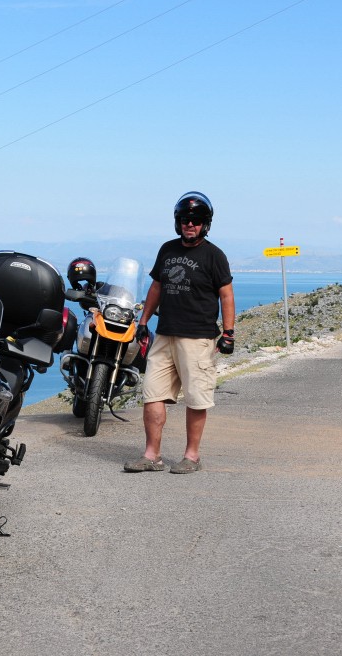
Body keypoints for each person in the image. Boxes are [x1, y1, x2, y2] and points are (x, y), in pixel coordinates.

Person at [124, 191, 235, 475]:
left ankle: (192, 456)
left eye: (196, 220)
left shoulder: (214, 255)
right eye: (185, 219)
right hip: (165, 335)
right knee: (152, 395)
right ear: (177, 222)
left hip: (198, 338)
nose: (190, 224)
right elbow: (156, 287)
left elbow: (226, 295)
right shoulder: (167, 250)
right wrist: (144, 320)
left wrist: (229, 332)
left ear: (205, 224)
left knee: (196, 398)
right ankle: (152, 456)